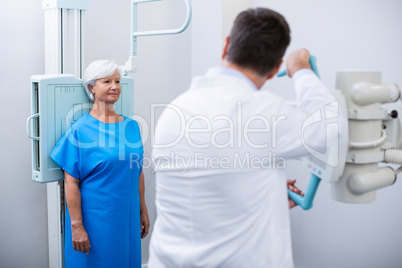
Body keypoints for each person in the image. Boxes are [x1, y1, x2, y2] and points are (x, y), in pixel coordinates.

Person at [149, 8, 342, 268]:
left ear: (226, 45)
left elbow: (205, 187)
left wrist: (265, 197)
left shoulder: (176, 109)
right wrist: (301, 70)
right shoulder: (263, 112)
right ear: (275, 69)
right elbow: (331, 127)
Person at [50, 60, 150, 268]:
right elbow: (70, 182)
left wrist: (142, 209)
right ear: (91, 88)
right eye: (107, 81)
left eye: (117, 81)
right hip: (95, 220)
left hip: (127, 217)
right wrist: (76, 225)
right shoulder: (80, 131)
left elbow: (137, 171)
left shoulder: (131, 127)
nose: (114, 86)